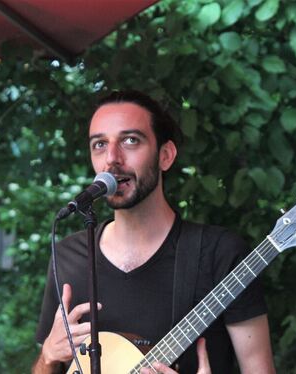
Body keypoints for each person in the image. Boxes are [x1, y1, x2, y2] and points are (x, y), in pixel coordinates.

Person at [32, 91, 275, 373]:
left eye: (130, 140)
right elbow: (49, 365)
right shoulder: (68, 257)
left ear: (165, 156)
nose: (112, 158)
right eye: (99, 144)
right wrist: (48, 356)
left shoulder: (219, 253)